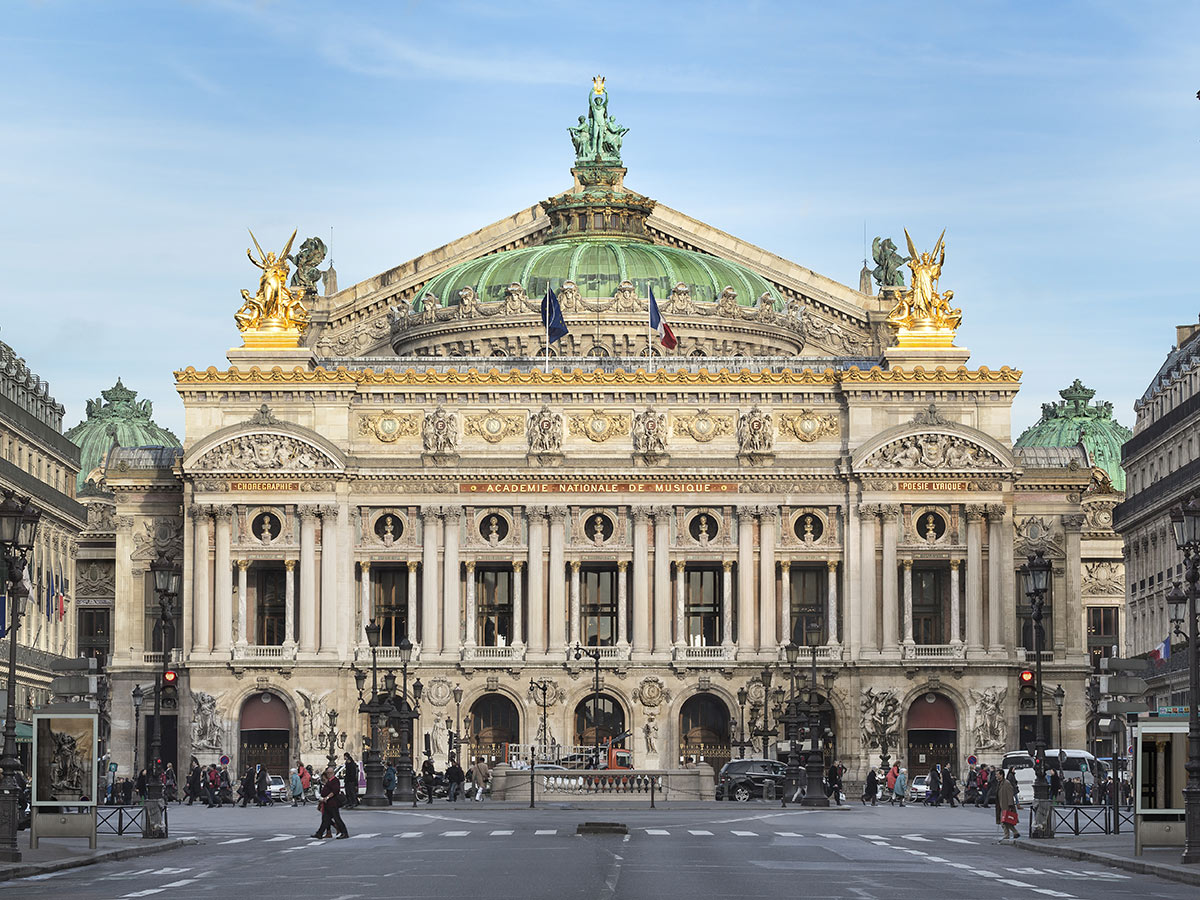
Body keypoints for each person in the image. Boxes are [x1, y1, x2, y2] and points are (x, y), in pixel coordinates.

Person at [313, 767, 349, 840]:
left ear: (332, 773)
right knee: (325, 819)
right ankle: (319, 833)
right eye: (327, 773)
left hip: (333, 803)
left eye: (329, 773)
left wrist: (327, 797)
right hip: (327, 804)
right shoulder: (329, 781)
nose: (328, 774)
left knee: (337, 819)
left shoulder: (335, 781)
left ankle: (344, 832)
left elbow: (335, 791)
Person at [997, 767, 1019, 841]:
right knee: (1006, 821)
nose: (996, 776)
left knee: (1004, 821)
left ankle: (1007, 835)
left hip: (1006, 805)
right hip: (1001, 804)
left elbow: (1010, 794)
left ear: (1001, 775)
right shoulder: (1000, 783)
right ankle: (1015, 832)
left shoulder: (1006, 783)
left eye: (997, 775)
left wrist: (1010, 805)